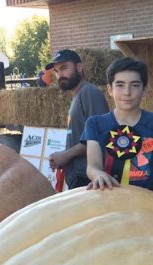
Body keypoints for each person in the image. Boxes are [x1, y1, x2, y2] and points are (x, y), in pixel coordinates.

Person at [83, 57, 153, 191]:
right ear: (109, 89)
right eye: (120, 85)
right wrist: (98, 174)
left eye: (135, 85)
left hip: (148, 204)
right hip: (108, 202)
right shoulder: (95, 123)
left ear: (144, 90)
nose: (127, 92)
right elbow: (92, 166)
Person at [46, 49, 109, 189]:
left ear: (79, 67)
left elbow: (99, 137)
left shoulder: (90, 93)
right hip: (79, 176)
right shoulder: (78, 95)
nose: (60, 75)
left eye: (64, 68)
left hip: (90, 178)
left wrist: (66, 155)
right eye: (56, 71)